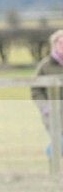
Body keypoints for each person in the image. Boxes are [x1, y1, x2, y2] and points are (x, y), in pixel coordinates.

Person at [30, 29, 63, 159]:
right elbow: (36, 90)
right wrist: (44, 107)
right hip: (53, 112)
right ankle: (52, 160)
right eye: (60, 43)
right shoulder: (45, 66)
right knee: (58, 140)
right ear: (54, 45)